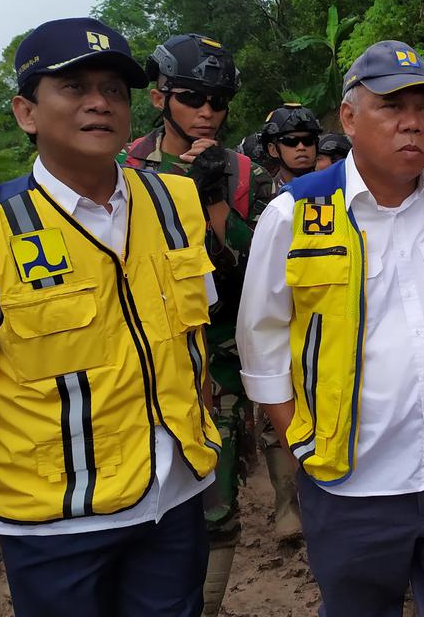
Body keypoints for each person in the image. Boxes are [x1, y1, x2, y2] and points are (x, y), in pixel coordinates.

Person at [0, 17, 220, 617]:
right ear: (27, 112)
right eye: (74, 88)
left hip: (175, 501)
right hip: (56, 527)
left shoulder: (174, 201)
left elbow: (193, 339)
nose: (99, 104)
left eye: (112, 90)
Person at [236, 40, 424, 617]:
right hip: (352, 482)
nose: (413, 123)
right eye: (391, 106)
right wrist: (300, 441)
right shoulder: (295, 214)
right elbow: (260, 340)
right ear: (348, 117)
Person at [119, 33, 276, 614]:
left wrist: (214, 206)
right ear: (161, 98)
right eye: (192, 97)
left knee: (217, 503)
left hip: (220, 355)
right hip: (142, 356)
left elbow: (261, 270)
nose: (207, 111)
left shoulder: (245, 173)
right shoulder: (126, 168)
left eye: (218, 100)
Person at [261, 103, 322, 191]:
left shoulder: (338, 188)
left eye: (308, 140)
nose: (301, 147)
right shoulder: (266, 197)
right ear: (273, 150)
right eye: (290, 141)